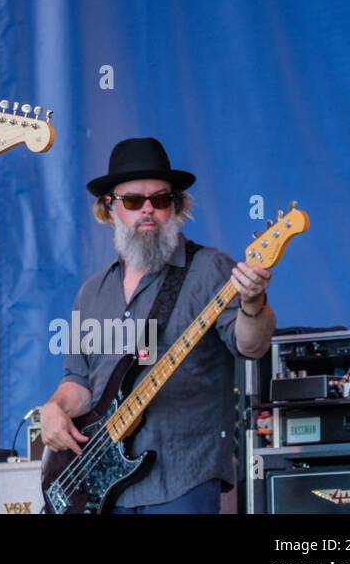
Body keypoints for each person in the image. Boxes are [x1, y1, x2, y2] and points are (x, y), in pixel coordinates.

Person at [39, 137, 276, 513]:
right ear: (110, 208)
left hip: (182, 477)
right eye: (133, 201)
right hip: (100, 487)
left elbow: (251, 345)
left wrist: (252, 302)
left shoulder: (210, 269)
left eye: (161, 200)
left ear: (177, 206)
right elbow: (79, 381)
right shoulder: (91, 293)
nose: (148, 210)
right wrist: (53, 408)